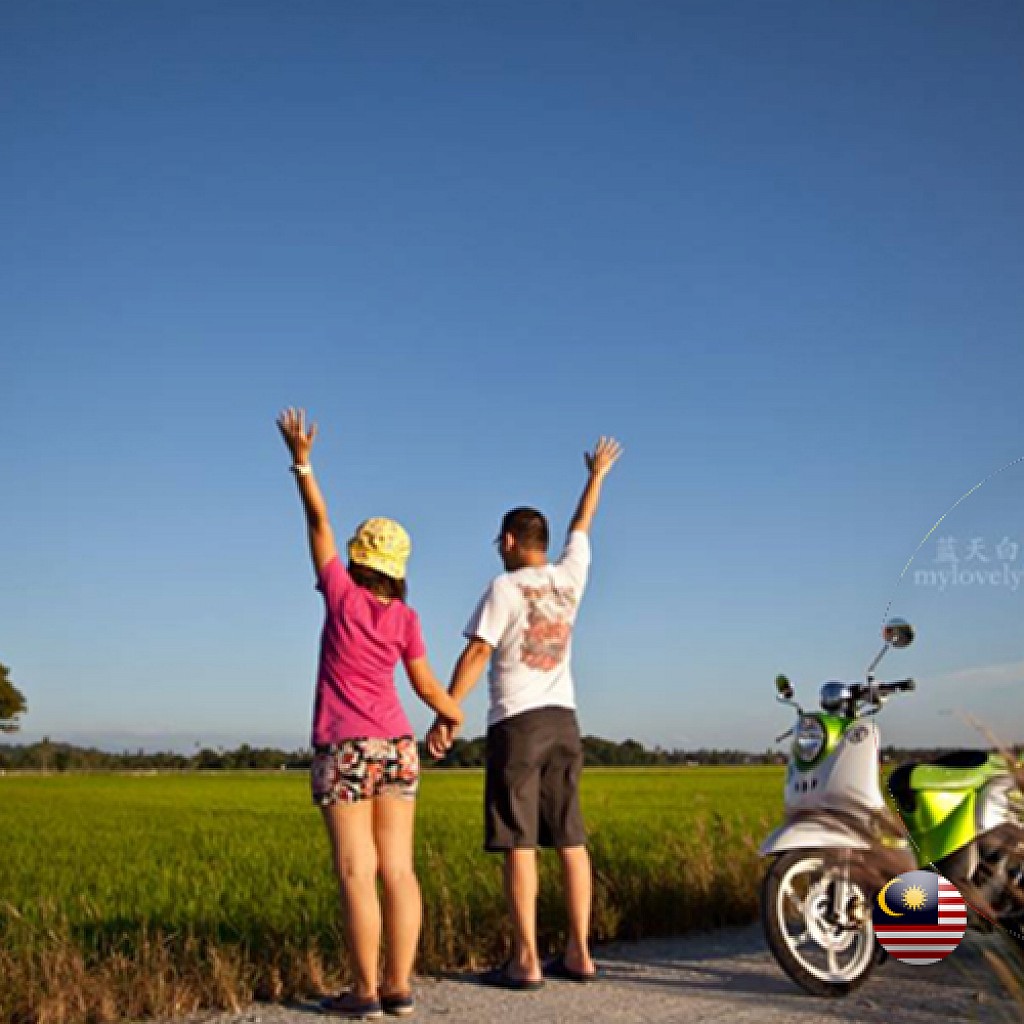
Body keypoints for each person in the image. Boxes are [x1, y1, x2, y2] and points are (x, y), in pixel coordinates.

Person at [277, 407, 464, 1019]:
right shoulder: (405, 619)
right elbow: (430, 688)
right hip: (398, 747)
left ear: (357, 561)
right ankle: (400, 987)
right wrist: (452, 718)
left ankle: (362, 993)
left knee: (357, 874)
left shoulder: (340, 596)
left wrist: (303, 461)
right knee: (399, 873)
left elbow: (318, 519)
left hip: (345, 748)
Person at [427, 436, 623, 989]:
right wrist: (598, 475)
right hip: (565, 720)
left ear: (511, 540)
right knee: (570, 838)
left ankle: (526, 960)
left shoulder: (504, 586)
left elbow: (476, 652)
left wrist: (447, 713)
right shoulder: (571, 577)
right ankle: (581, 952)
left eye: (500, 540)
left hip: (517, 723)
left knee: (519, 841)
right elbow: (583, 525)